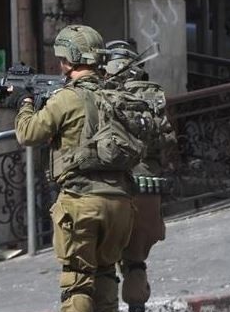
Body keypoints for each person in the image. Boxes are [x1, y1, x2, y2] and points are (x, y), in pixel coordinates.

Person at [11, 25, 135, 312]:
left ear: (68, 60)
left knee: (78, 283)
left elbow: (28, 133)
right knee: (106, 276)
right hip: (120, 203)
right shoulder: (116, 94)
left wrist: (25, 103)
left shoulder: (66, 98)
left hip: (81, 201)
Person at [103, 41, 176, 312]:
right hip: (146, 189)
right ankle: (136, 305)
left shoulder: (98, 94)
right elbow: (169, 142)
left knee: (104, 259)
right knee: (135, 260)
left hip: (109, 188)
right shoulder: (153, 96)